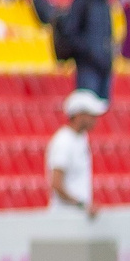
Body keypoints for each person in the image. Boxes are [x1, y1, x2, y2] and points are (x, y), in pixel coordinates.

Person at [57, 0, 118, 99]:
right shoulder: (84, 0)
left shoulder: (104, 0)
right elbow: (70, 31)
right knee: (88, 105)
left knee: (102, 110)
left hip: (104, 65)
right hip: (88, 67)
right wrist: (89, 51)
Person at [47, 89, 104, 220]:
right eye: (91, 115)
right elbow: (56, 183)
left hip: (76, 218)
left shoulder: (81, 138)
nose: (95, 120)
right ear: (79, 115)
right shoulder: (63, 142)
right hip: (65, 219)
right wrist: (81, 205)